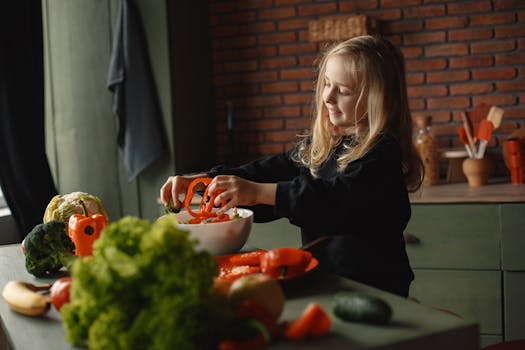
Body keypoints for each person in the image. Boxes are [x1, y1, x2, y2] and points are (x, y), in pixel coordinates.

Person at [160, 35, 424, 297]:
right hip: (328, 283)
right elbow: (267, 171)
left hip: (377, 290)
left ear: (379, 99)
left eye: (343, 90)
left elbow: (336, 202)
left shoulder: (382, 154)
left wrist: (258, 192)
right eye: (327, 84)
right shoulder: (325, 145)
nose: (328, 98)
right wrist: (202, 182)